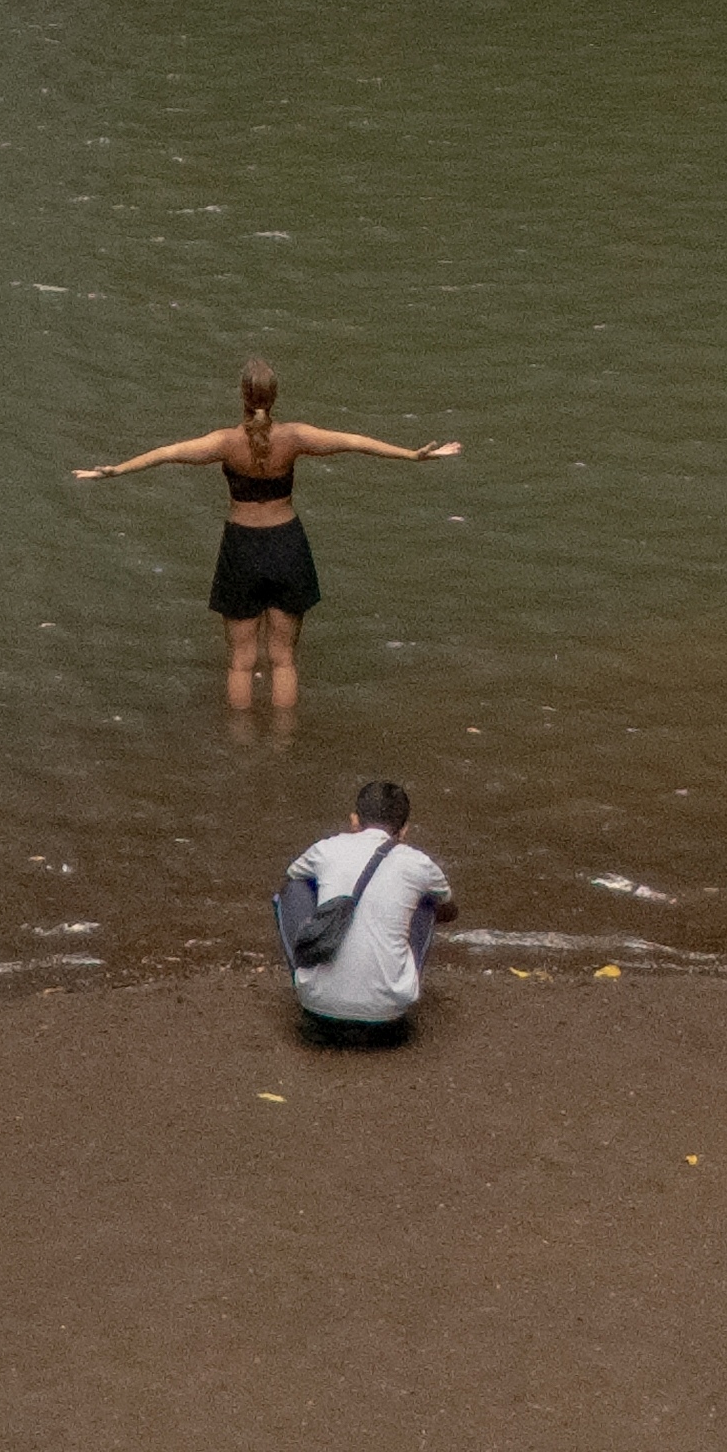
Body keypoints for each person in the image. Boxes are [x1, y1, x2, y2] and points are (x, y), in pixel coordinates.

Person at [78, 358, 463, 719]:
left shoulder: (225, 442)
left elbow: (167, 453)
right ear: (274, 396)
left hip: (241, 549)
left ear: (242, 397)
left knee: (241, 660)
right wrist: (412, 455)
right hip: (286, 546)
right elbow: (354, 441)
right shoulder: (294, 437)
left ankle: (241, 745)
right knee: (283, 659)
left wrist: (116, 471)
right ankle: (283, 742)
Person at [280, 777, 448, 1044]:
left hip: (319, 1011)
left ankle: (312, 980)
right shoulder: (418, 863)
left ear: (354, 821)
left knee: (294, 890)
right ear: (404, 830)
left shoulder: (327, 848)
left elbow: (292, 876)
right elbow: (449, 906)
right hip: (389, 1019)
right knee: (428, 900)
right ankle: (395, 982)